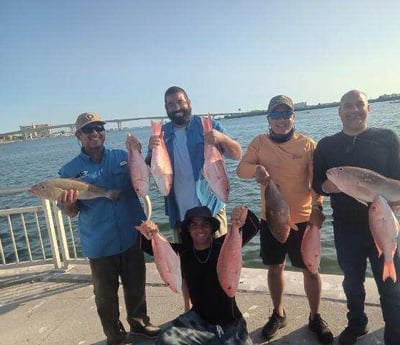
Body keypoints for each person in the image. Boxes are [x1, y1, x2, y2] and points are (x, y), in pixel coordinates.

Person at [312, 89, 400, 345]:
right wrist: (329, 187)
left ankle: (396, 338)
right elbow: (316, 184)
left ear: (369, 108)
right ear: (339, 111)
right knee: (352, 284)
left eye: (359, 105)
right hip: (346, 229)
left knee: (391, 288)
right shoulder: (326, 145)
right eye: (348, 105)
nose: (354, 110)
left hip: (384, 224)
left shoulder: (388, 138)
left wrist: (399, 200)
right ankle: (357, 324)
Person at [236, 95, 334, 344]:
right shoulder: (259, 142)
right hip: (272, 219)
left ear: (294, 116)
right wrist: (256, 170)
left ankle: (315, 316)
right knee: (274, 266)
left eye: (286, 114)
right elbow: (241, 169)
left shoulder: (308, 145)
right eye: (276, 115)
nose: (281, 120)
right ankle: (278, 313)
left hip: (302, 219)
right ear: (268, 118)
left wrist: (318, 207)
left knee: (311, 269)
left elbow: (315, 181)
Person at [57, 112, 159, 345]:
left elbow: (146, 176)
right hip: (99, 242)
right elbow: (71, 212)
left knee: (136, 286)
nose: (95, 133)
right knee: (105, 297)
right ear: (78, 136)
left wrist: (148, 152)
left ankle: (140, 324)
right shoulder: (69, 171)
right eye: (88, 130)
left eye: (98, 128)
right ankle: (115, 336)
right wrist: (69, 203)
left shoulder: (123, 157)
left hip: (132, 234)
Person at [140, 205, 259, 345]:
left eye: (205, 224)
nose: (200, 228)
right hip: (197, 320)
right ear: (188, 230)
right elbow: (146, 245)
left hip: (231, 323)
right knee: (164, 340)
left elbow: (253, 225)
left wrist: (241, 213)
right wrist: (149, 231)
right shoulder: (182, 253)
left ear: (211, 228)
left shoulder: (224, 246)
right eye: (194, 225)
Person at [145, 86, 242, 243]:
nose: (176, 108)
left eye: (180, 102)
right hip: (179, 214)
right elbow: (149, 168)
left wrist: (222, 138)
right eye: (171, 104)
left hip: (211, 209)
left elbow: (237, 154)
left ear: (188, 102)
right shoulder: (161, 133)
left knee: (219, 260)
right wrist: (150, 151)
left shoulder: (207, 124)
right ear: (166, 108)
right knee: (186, 262)